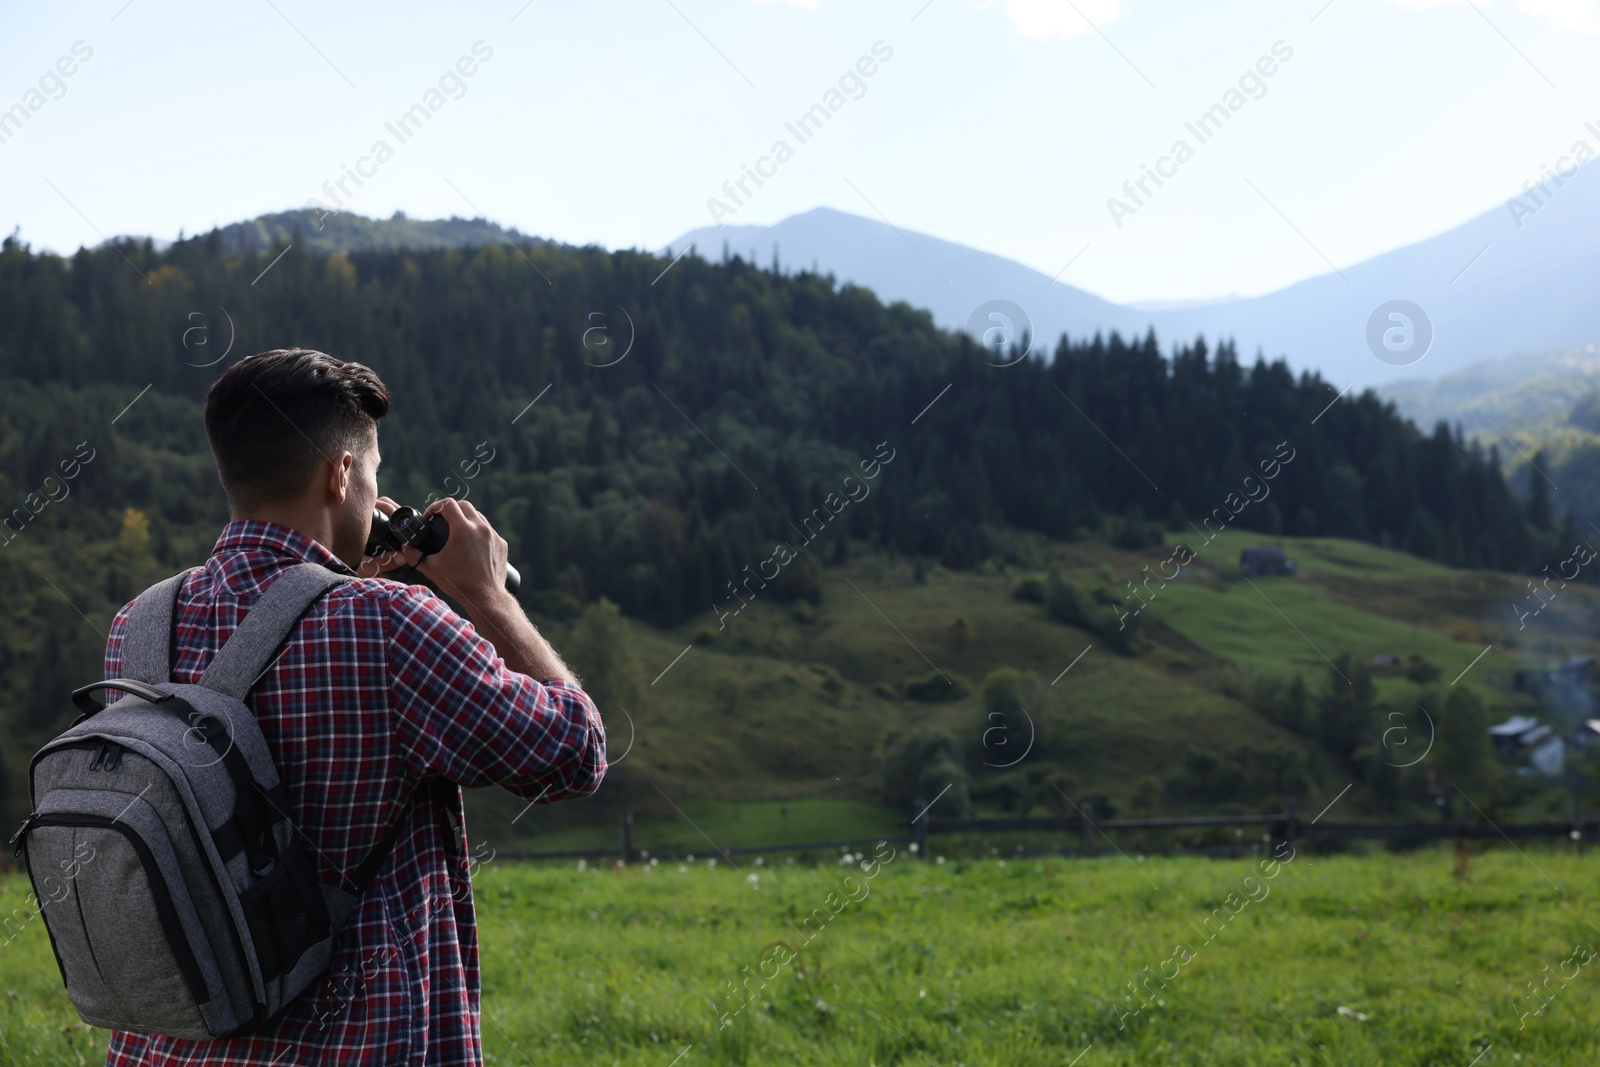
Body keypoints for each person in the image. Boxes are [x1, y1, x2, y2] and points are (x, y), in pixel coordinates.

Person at [102, 348, 606, 1065]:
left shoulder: (139, 625)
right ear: (340, 473)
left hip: (168, 1048)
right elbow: (574, 752)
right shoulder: (391, 625)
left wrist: (340, 590)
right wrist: (491, 598)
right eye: (372, 471)